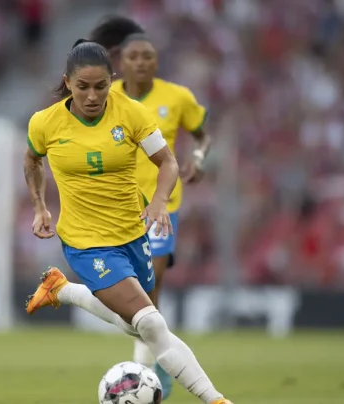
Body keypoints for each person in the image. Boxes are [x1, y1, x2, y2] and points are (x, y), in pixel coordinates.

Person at [24, 39, 232, 404]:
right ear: (67, 83)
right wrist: (41, 206)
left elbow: (167, 163)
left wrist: (158, 203)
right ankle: (215, 399)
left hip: (133, 234)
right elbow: (31, 161)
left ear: (111, 81)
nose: (92, 96)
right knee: (151, 322)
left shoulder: (131, 113)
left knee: (143, 325)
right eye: (83, 87)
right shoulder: (45, 122)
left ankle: (63, 290)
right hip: (85, 242)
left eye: (101, 86)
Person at [112, 32, 211, 398]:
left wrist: (199, 158)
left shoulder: (177, 97)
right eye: (133, 56)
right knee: (134, 289)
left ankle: (147, 367)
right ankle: (159, 355)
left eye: (147, 56)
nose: (140, 62)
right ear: (122, 62)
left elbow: (202, 135)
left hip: (161, 204)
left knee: (150, 285)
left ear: (156, 62)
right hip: (117, 203)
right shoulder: (107, 98)